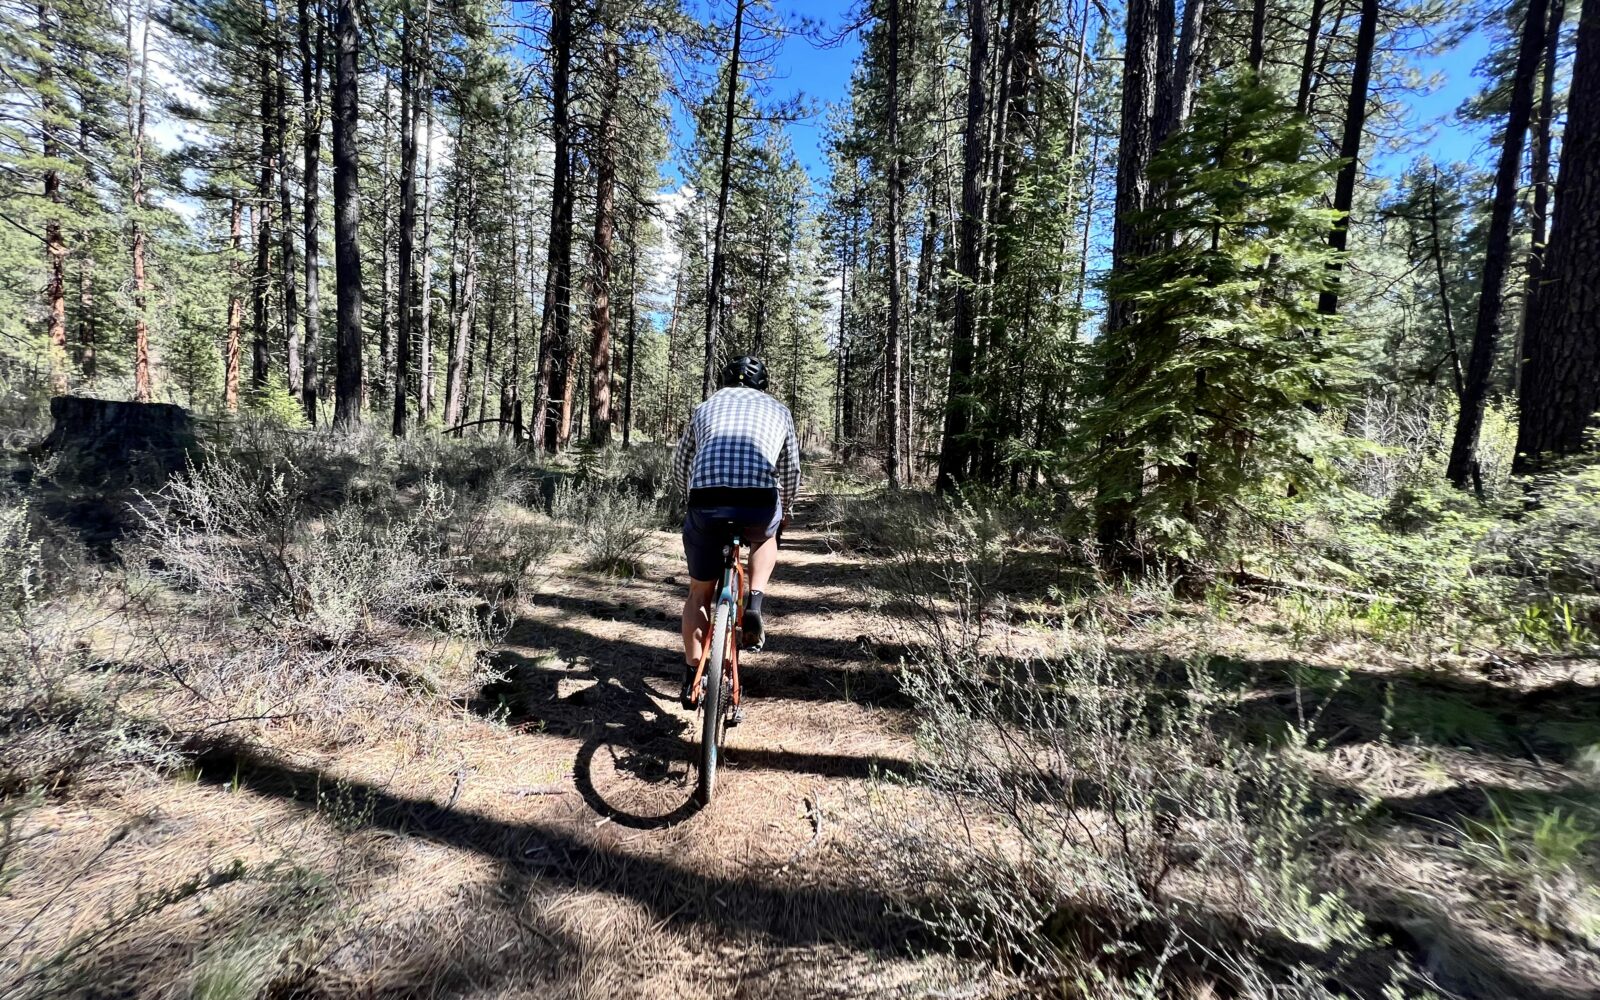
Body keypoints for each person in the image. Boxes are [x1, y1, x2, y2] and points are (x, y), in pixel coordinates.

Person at [670, 355, 801, 714]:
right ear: (763, 385)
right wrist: (784, 511)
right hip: (758, 502)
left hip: (706, 502)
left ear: (725, 381)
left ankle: (690, 674)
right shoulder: (779, 410)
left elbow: (681, 463)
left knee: (699, 593)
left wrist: (690, 501)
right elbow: (790, 471)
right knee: (767, 535)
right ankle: (754, 603)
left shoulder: (705, 406)